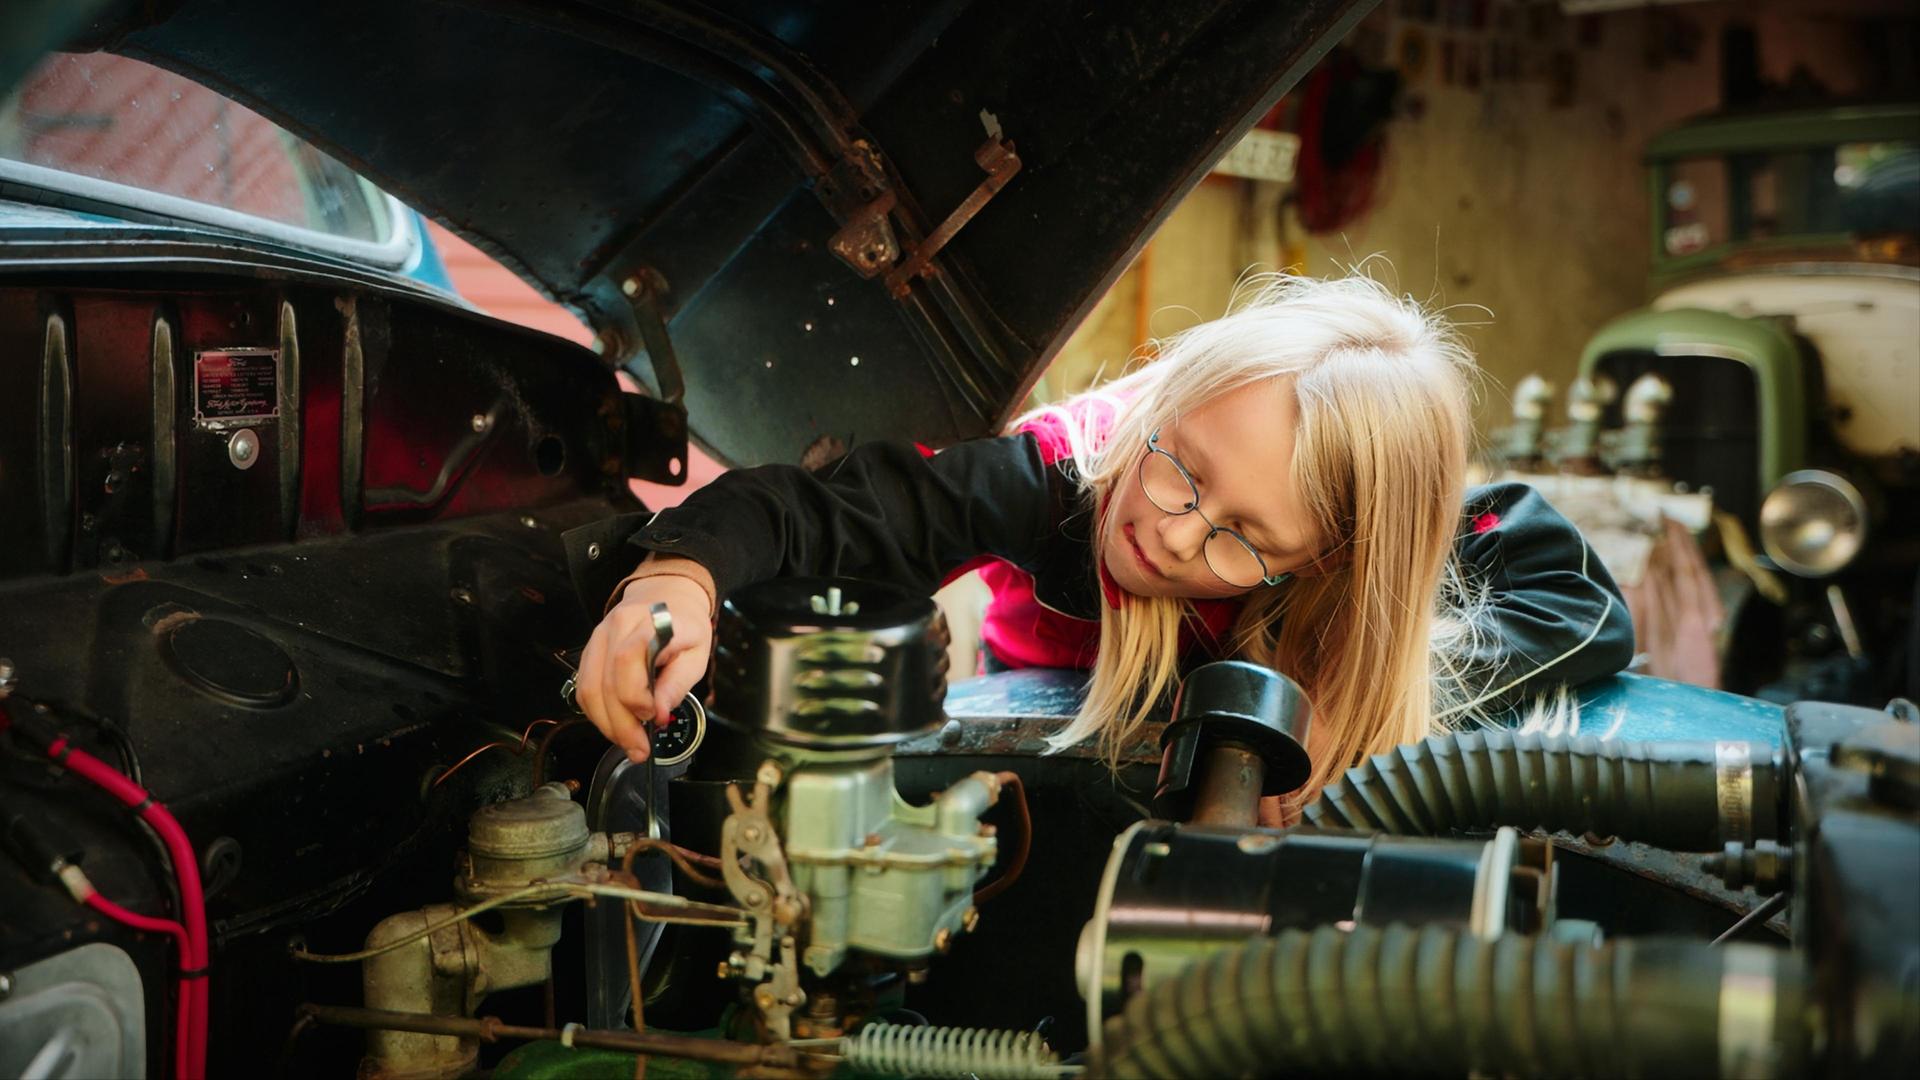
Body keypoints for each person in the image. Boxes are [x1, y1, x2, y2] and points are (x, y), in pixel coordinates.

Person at [569, 273, 1634, 816]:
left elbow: (1578, 600)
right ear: (1170, 402)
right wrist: (678, 582)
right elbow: (820, 513)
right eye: (1184, 469)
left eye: (1242, 539)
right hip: (1047, 735)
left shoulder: (1364, 540)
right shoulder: (1062, 482)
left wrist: (1335, 698)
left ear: (1325, 557)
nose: (1170, 532)